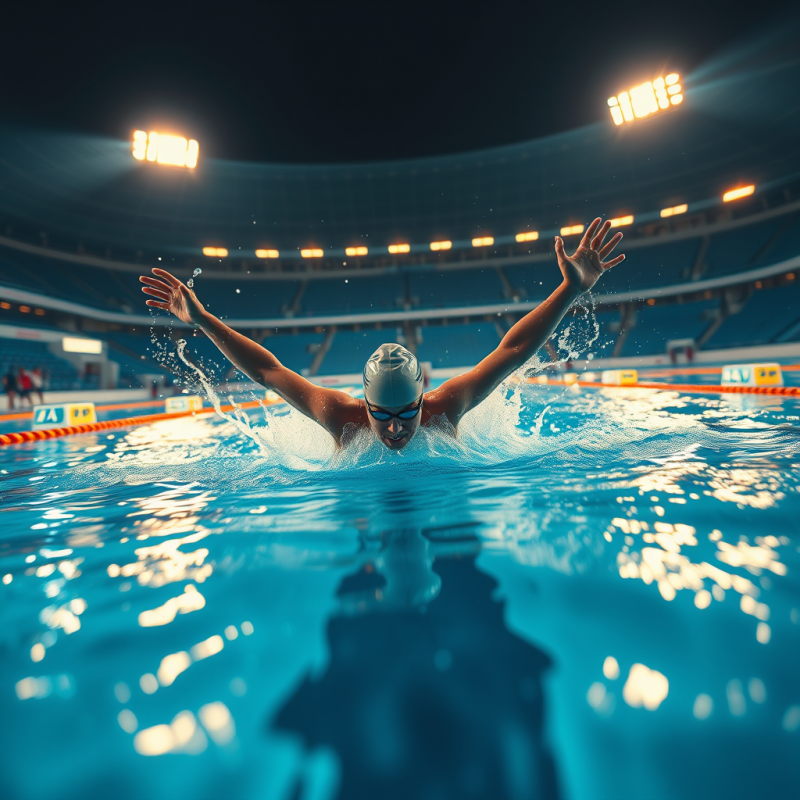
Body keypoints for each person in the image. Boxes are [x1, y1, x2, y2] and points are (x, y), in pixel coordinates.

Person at [140, 218, 625, 450]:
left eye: (405, 414)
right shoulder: (342, 418)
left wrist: (569, 289)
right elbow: (269, 371)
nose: (395, 429)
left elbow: (514, 350)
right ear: (364, 405)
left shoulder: (442, 410)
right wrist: (201, 319)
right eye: (383, 417)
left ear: (422, 399)